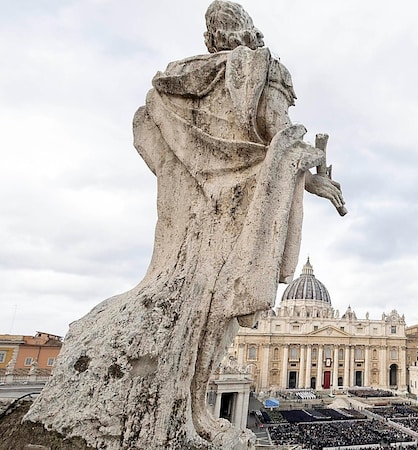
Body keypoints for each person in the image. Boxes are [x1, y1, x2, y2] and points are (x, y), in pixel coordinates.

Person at [26, 2, 345, 448]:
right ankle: (191, 407)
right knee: (215, 313)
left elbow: (148, 133)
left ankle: (183, 408)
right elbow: (278, 134)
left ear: (212, 36)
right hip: (238, 212)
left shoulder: (175, 80)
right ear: (248, 30)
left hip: (193, 207)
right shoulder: (262, 68)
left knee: (191, 303)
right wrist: (312, 174)